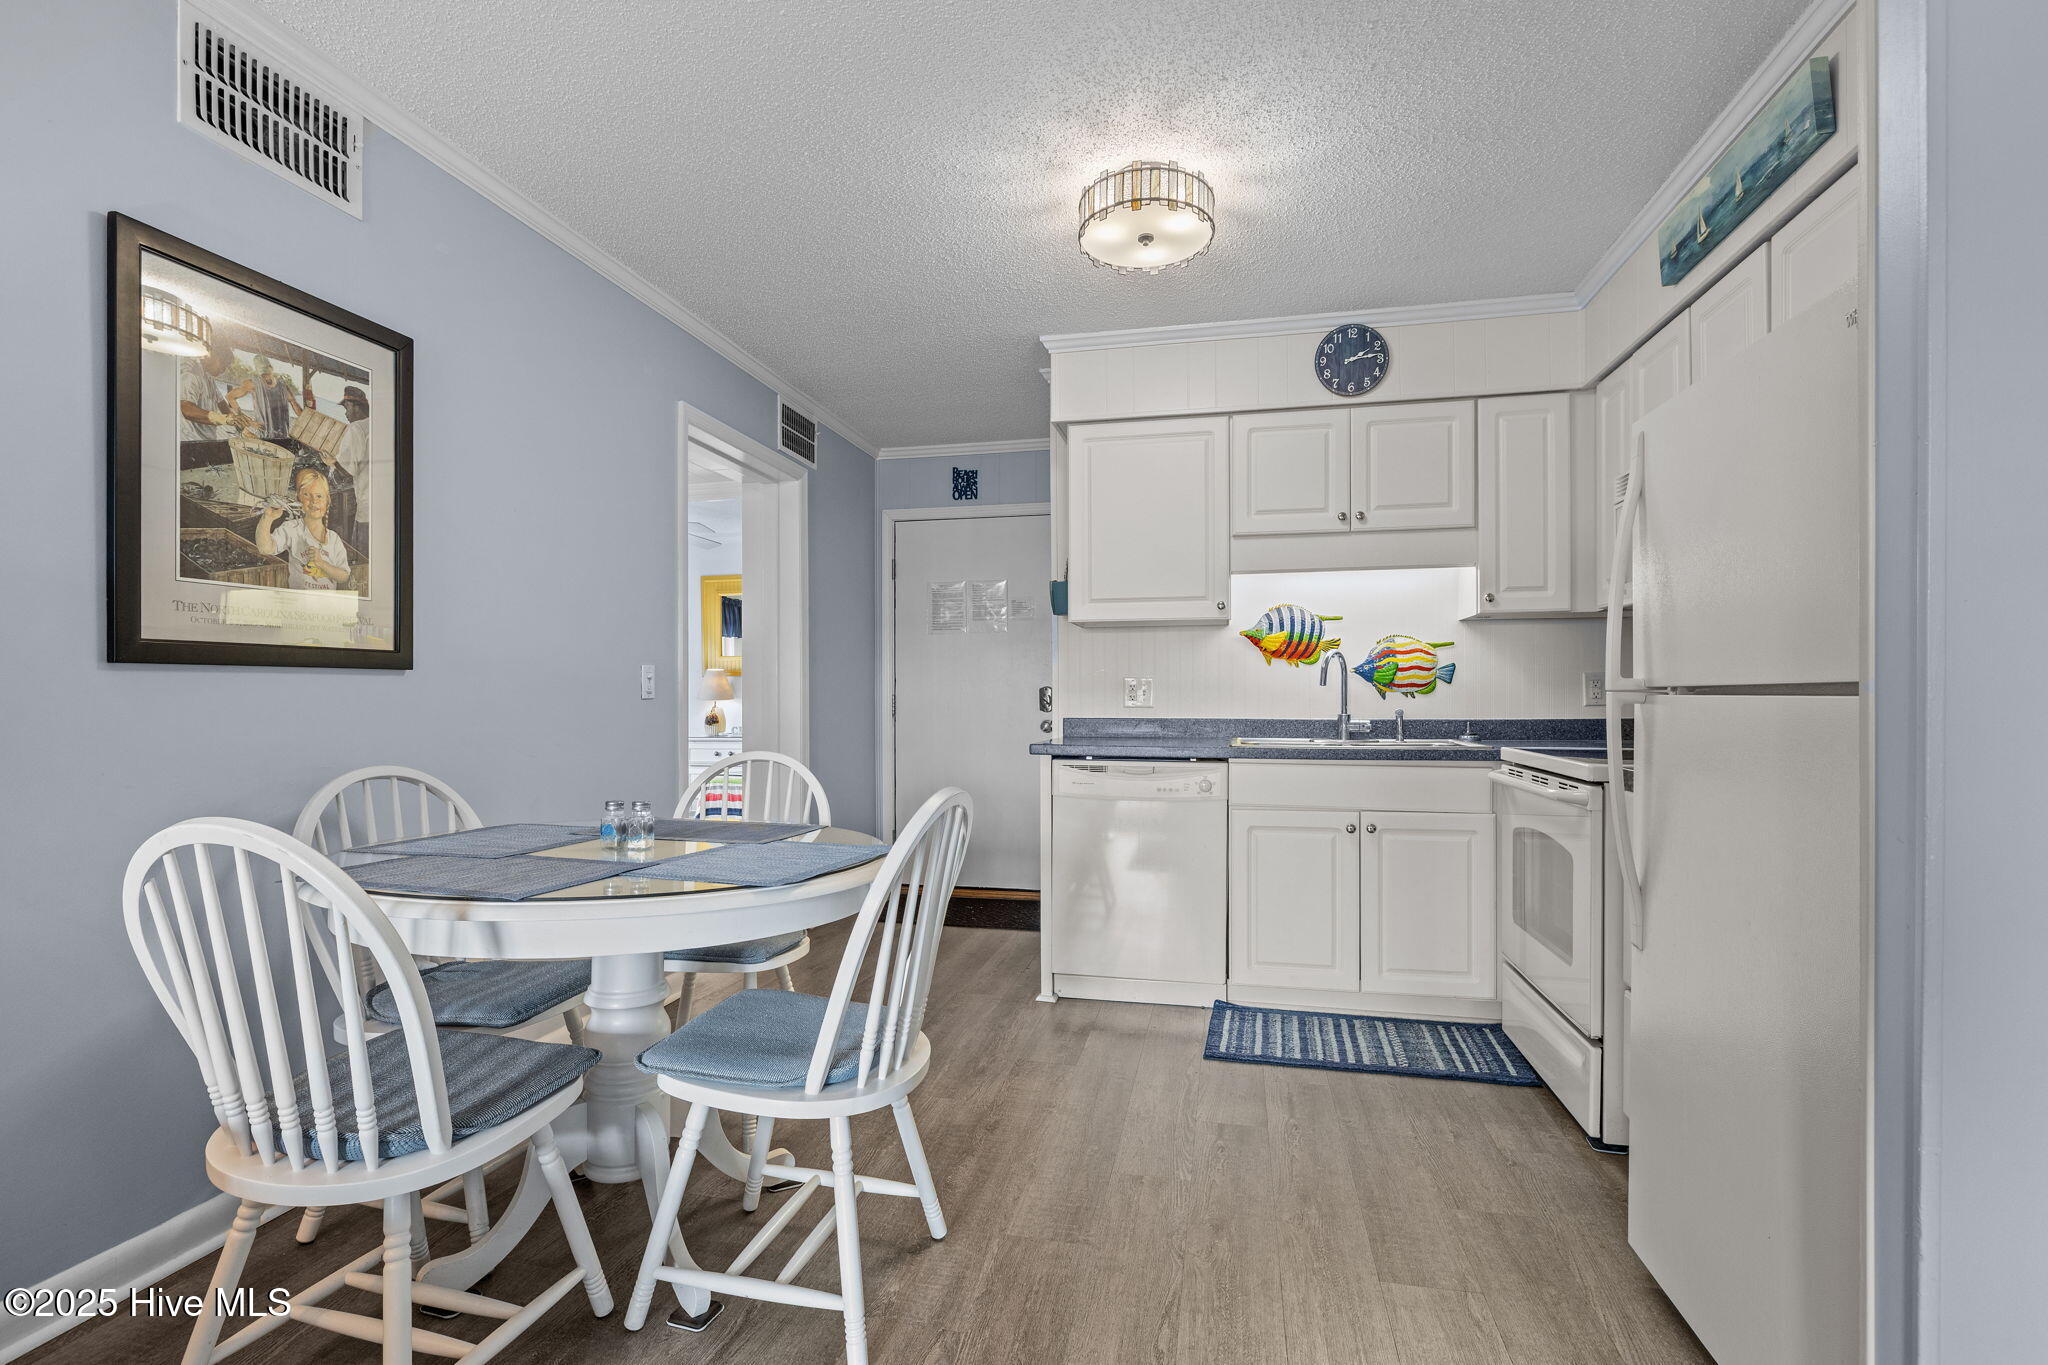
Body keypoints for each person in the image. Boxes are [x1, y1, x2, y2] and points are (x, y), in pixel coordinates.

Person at [255, 463, 351, 592]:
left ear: (327, 501)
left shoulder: (334, 539)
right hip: (299, 603)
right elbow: (265, 548)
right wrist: (267, 518)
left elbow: (344, 576)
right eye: (307, 495)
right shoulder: (291, 528)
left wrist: (321, 563)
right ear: (298, 498)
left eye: (319, 496)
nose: (313, 501)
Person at [177, 345, 256, 443]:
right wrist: (225, 419)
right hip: (190, 440)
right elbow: (187, 409)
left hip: (207, 440)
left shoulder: (208, 378)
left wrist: (241, 428)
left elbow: (222, 403)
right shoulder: (191, 374)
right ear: (212, 355)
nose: (224, 369)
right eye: (223, 364)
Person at [249, 356, 304, 440]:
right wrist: (251, 422)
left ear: (271, 368)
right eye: (263, 375)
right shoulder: (255, 385)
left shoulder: (283, 386)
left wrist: (306, 420)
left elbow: (294, 404)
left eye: (267, 373)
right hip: (262, 437)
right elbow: (231, 397)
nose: (266, 377)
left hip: (282, 436)